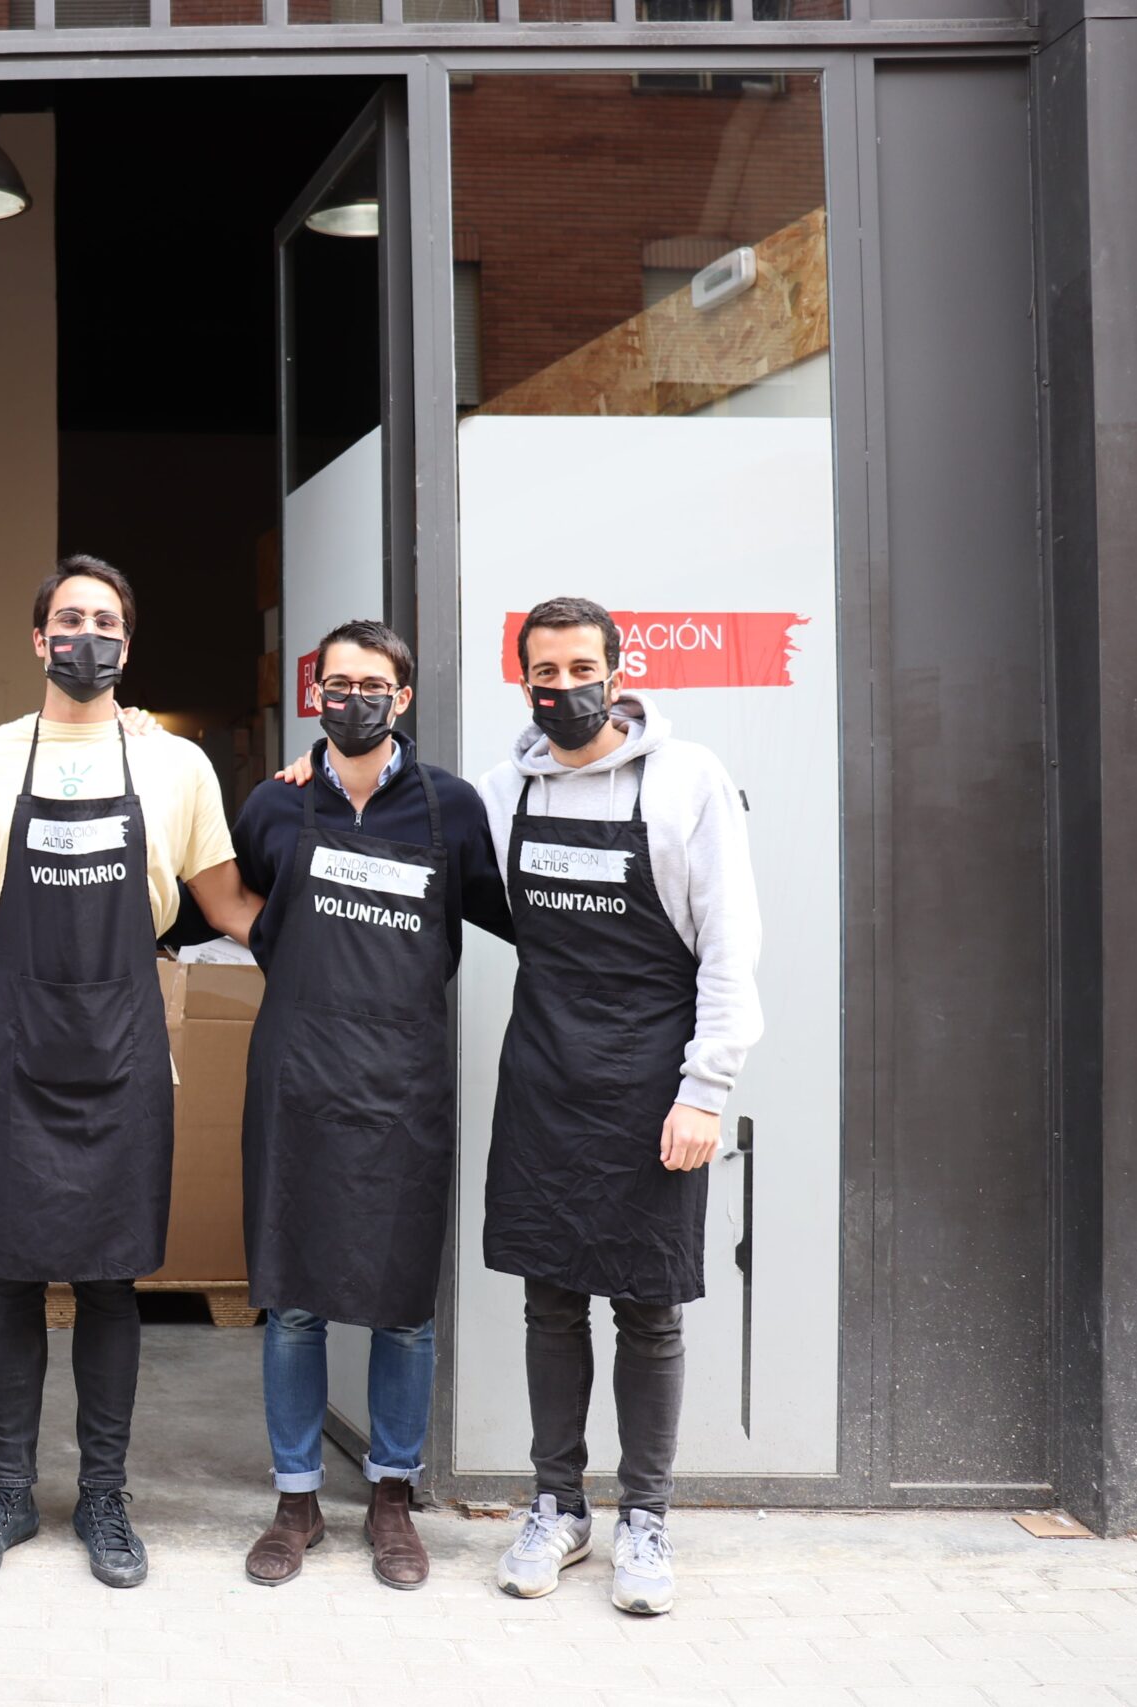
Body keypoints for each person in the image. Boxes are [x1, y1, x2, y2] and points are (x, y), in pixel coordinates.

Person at [0, 555, 261, 1589]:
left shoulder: (176, 768)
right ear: (37, 640)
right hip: (15, 1047)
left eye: (104, 621)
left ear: (127, 643)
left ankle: (104, 1498)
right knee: (9, 1277)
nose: (85, 636)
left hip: (119, 1047)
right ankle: (7, 1494)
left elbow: (230, 901)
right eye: (68, 620)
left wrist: (330, 944)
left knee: (111, 1280)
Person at [478, 595, 762, 1616]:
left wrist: (704, 1090)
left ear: (619, 667)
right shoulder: (509, 783)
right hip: (546, 1080)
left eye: (579, 669)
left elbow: (731, 949)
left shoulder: (686, 780)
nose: (562, 690)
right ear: (523, 680)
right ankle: (558, 1505)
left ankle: (645, 1518)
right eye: (542, 674)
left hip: (653, 1087)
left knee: (646, 1308)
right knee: (548, 1298)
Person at [231, 620, 510, 1591]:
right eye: (337, 682)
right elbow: (219, 899)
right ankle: (296, 1499)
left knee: (402, 1310)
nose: (353, 697)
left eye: (372, 684)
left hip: (401, 1088)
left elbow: (515, 914)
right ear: (315, 693)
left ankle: (393, 1496)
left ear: (403, 698)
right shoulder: (272, 805)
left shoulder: (452, 808)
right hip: (297, 1081)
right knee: (295, 1302)